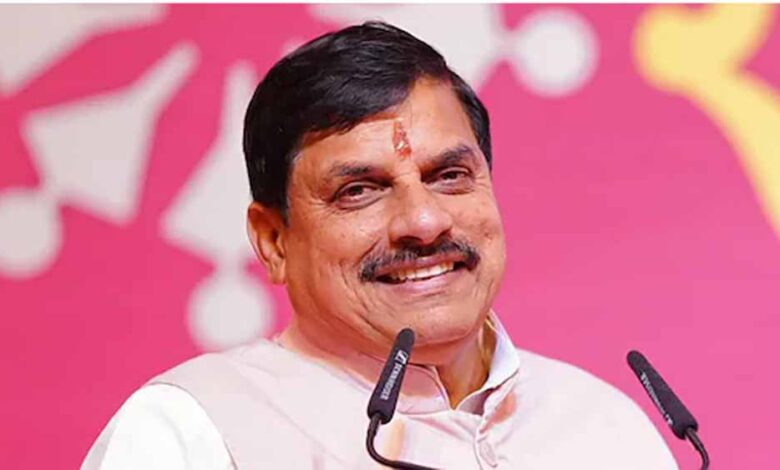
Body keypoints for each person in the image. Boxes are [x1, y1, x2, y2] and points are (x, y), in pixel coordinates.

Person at [83, 22, 677, 469]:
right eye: (359, 191)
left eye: (449, 176)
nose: (423, 220)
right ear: (273, 241)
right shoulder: (190, 433)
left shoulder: (606, 428)